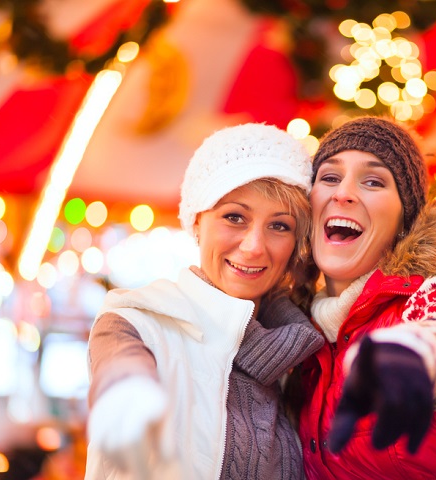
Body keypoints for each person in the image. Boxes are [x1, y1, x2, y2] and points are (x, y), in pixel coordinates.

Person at [84, 123, 324, 480]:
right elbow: (120, 369)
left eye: (279, 226)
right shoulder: (139, 322)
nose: (254, 246)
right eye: (234, 217)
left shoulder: (300, 353)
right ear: (197, 221)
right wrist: (128, 400)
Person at [294, 116, 436, 479]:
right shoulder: (301, 337)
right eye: (329, 177)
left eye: (373, 181)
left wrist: (417, 359)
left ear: (406, 219)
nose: (343, 193)